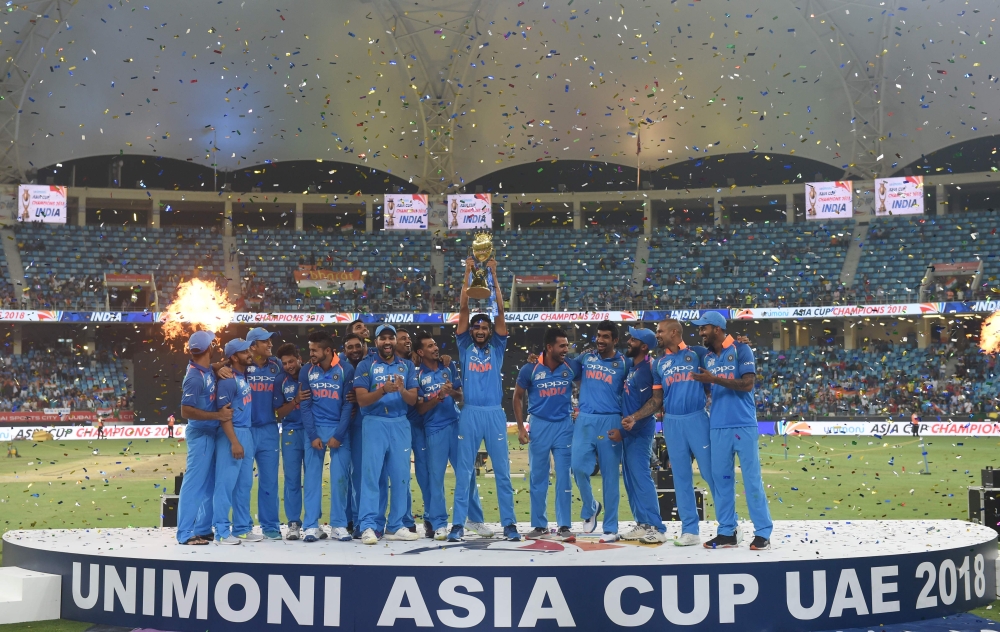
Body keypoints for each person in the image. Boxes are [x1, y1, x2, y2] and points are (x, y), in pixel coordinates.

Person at [450, 256, 520, 542]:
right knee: (465, 472)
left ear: (490, 331)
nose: (479, 330)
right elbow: (464, 309)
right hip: (469, 413)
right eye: (476, 327)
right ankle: (458, 525)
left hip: (493, 413)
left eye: (484, 328)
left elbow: (501, 311)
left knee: (502, 472)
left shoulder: (498, 347)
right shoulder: (464, 345)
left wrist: (492, 275)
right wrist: (468, 272)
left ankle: (510, 525)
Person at [690, 311, 772, 551]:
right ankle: (727, 532)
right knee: (722, 481)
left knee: (751, 480)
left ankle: (763, 532)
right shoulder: (706, 356)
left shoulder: (741, 350)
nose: (700, 332)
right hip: (717, 427)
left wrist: (714, 379)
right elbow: (686, 349)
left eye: (703, 328)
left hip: (743, 424)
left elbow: (747, 385)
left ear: (716, 328)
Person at [413, 330, 487, 540]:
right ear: (420, 351)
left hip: (456, 424)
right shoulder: (417, 375)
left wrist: (451, 393)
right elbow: (419, 409)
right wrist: (436, 398)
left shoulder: (449, 366)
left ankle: (474, 519)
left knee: (468, 473)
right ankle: (439, 524)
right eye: (429, 346)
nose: (435, 348)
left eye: (435, 344)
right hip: (434, 429)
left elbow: (461, 394)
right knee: (435, 478)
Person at [353, 324, 420, 544]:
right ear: (376, 342)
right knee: (372, 477)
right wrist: (383, 390)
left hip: (400, 423)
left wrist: (400, 390)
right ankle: (369, 526)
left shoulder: (407, 365)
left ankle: (396, 524)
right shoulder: (366, 364)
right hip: (374, 423)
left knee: (401, 476)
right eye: (383, 339)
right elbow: (361, 400)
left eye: (391, 338)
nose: (387, 342)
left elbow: (413, 400)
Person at [514, 327, 579, 542]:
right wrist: (522, 428)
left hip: (564, 426)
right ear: (549, 347)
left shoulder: (571, 366)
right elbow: (517, 396)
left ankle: (564, 526)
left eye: (567, 346)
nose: (566, 350)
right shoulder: (530, 369)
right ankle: (540, 526)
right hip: (539, 426)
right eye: (562, 346)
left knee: (564, 477)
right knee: (538, 477)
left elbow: (590, 378)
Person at [571, 320, 628, 541]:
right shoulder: (586, 357)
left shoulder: (624, 363)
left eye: (606, 337)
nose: (600, 340)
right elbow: (565, 368)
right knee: (577, 467)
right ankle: (591, 506)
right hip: (585, 420)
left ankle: (611, 528)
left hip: (611, 420)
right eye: (599, 336)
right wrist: (539, 360)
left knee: (611, 476)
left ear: (615, 340)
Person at [176, 330, 232, 546]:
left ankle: (202, 528)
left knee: (208, 485)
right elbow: (186, 411)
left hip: (208, 433)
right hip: (200, 435)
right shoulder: (194, 377)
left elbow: (210, 368)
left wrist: (217, 365)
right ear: (208, 348)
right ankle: (185, 533)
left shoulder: (204, 369)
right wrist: (218, 415)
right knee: (194, 484)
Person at [300, 331, 355, 542]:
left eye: (314, 350)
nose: (311, 353)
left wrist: (339, 434)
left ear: (328, 351)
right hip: (314, 430)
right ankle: (311, 526)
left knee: (339, 479)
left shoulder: (345, 369)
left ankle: (339, 525)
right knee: (312, 479)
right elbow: (305, 405)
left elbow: (347, 403)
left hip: (338, 430)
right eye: (310, 349)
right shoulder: (307, 370)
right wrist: (312, 434)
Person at [616, 327, 668, 544]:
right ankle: (643, 523)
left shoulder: (647, 369)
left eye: (633, 339)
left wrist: (633, 421)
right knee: (630, 479)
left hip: (639, 431)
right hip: (630, 430)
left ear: (644, 346)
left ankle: (657, 527)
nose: (628, 341)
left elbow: (653, 403)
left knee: (640, 476)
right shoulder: (634, 366)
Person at [213, 338, 257, 545]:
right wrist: (234, 441)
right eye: (244, 351)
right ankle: (221, 531)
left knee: (244, 485)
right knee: (226, 484)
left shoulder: (243, 375)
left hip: (246, 433)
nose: (249, 353)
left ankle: (241, 528)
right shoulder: (228, 380)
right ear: (233, 357)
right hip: (233, 434)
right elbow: (224, 415)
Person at [243, 327, 285, 540]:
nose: (270, 345)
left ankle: (270, 527)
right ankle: (243, 526)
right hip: (246, 430)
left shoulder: (277, 365)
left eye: (270, 341)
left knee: (269, 481)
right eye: (265, 342)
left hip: (269, 429)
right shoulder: (242, 366)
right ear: (252, 346)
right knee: (244, 481)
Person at [341, 332, 373, 537]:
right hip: (342, 426)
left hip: (363, 425)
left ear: (364, 346)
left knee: (361, 475)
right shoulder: (340, 366)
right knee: (342, 476)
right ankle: (345, 520)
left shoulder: (372, 362)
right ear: (344, 350)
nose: (354, 350)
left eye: (357, 346)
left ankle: (362, 520)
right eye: (349, 347)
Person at [275, 342, 308, 541]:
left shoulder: (311, 374)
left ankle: (313, 522)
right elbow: (280, 413)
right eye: (285, 363)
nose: (289, 366)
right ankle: (294, 523)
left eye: (291, 361)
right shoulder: (280, 380)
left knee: (312, 479)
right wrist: (295, 401)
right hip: (290, 432)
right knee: (292, 479)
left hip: (312, 432)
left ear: (299, 359)